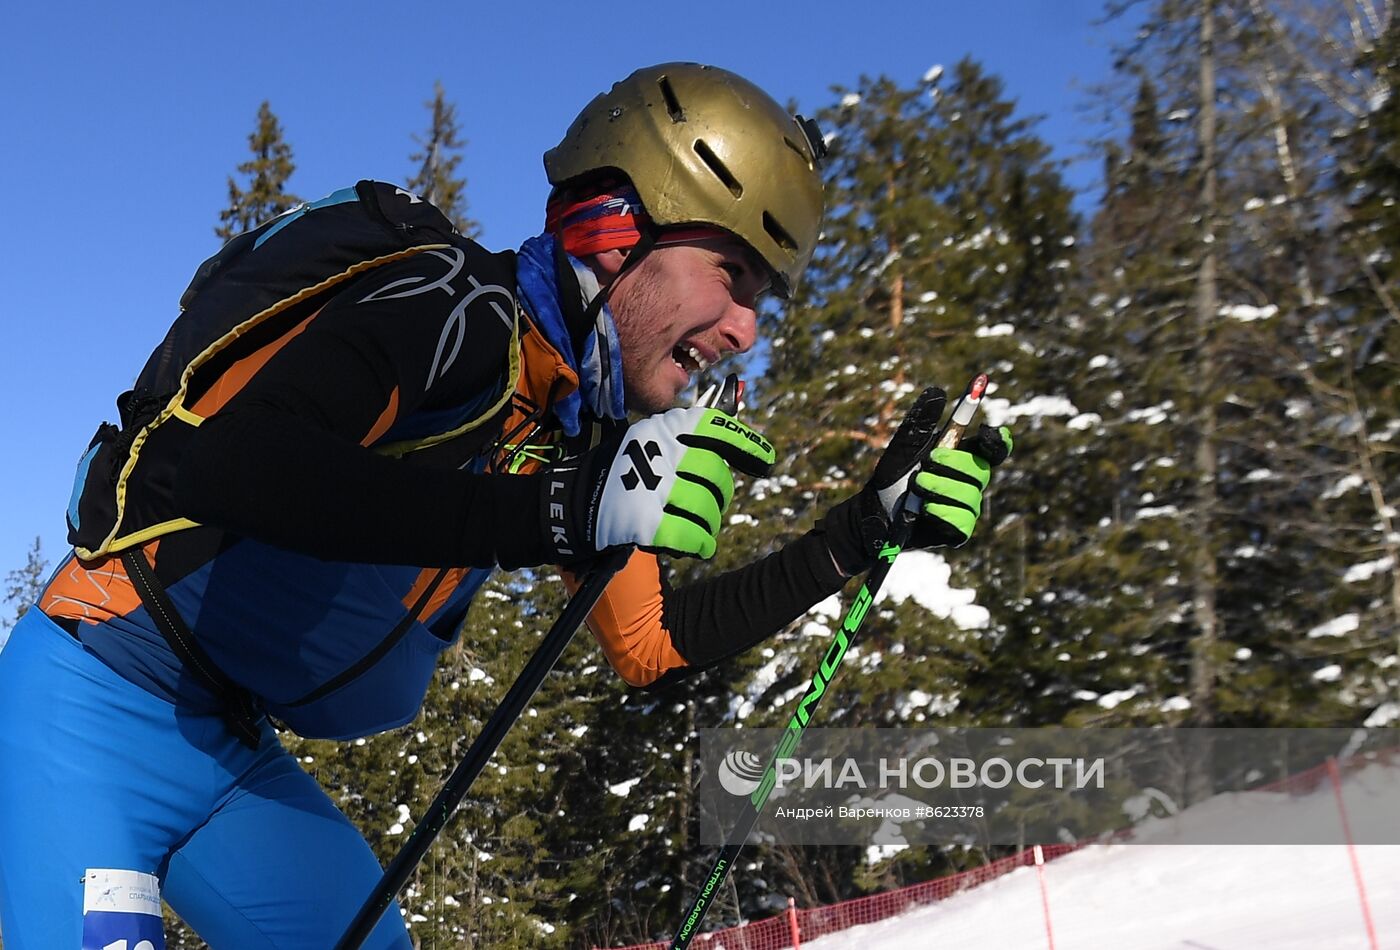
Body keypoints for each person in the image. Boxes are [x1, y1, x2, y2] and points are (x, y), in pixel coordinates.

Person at [0, 63, 1012, 949]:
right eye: (732, 273)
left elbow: (651, 646)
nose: (745, 325)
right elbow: (228, 466)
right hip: (92, 707)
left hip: (229, 754)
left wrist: (856, 535)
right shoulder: (442, 311)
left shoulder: (578, 423)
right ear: (621, 229)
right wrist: (558, 512)